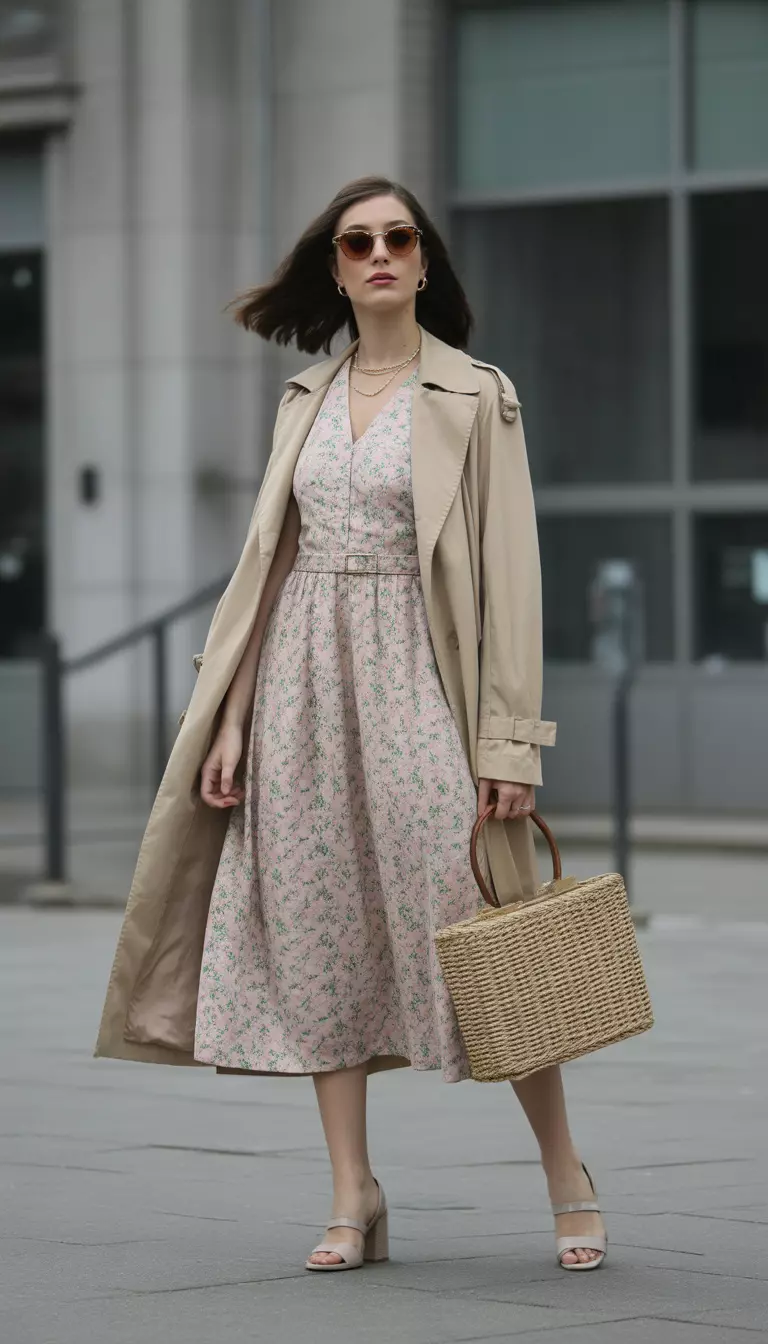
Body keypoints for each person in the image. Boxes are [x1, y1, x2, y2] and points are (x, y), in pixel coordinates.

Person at [94, 175, 607, 1274]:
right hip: (300, 692)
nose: (378, 254)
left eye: (397, 238)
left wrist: (509, 744)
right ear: (335, 268)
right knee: (320, 928)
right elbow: (267, 566)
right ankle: (352, 1193)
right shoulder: (303, 399)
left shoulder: (476, 395)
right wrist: (231, 721)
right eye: (356, 241)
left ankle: (567, 1173)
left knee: (484, 926)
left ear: (425, 263)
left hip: (423, 683)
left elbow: (512, 577)